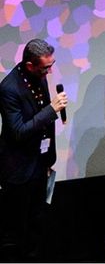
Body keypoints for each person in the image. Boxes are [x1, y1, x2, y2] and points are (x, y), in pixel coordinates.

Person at [0, 39, 68, 261]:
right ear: (30, 65)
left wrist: (48, 159)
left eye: (51, 65)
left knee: (37, 224)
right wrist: (51, 110)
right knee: (15, 229)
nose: (50, 71)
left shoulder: (39, 77)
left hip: (39, 165)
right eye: (46, 67)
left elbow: (44, 124)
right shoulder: (9, 88)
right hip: (18, 171)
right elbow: (18, 131)